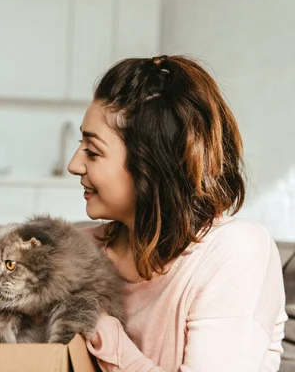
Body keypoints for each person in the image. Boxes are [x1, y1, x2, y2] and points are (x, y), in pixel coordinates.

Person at [68, 55, 287, 371]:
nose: (73, 165)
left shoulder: (233, 252)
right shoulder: (81, 251)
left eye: (93, 151)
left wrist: (104, 334)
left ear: (151, 165)